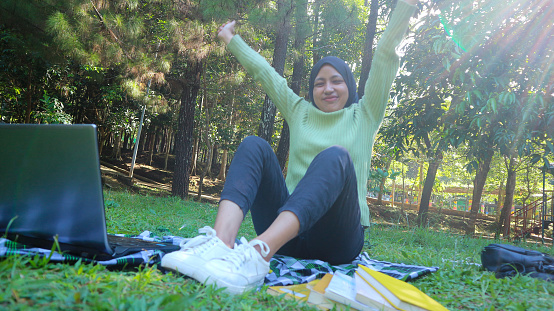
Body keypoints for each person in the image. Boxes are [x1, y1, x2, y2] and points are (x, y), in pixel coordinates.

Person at [162, 0, 418, 294]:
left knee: (335, 156)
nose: (328, 88)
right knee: (254, 145)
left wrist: (406, 6)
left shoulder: (365, 114)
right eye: (319, 83)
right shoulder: (300, 112)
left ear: (349, 85)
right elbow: (266, 75)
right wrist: (231, 40)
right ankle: (220, 244)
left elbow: (385, 56)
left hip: (336, 239)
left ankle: (257, 255)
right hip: (290, 239)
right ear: (312, 90)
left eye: (336, 81)